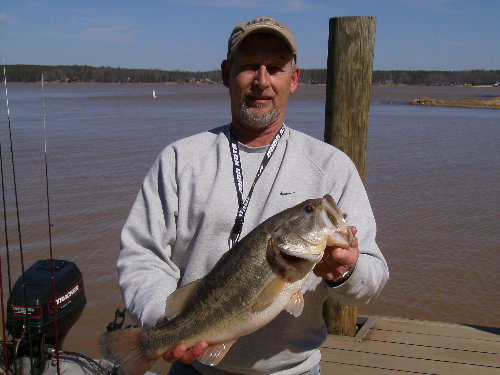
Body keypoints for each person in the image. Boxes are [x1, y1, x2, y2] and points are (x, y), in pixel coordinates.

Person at [117, 16, 389, 375]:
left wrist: (346, 271)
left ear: (293, 80)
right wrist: (164, 320)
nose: (262, 81)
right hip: (194, 367)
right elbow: (143, 255)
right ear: (226, 74)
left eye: (275, 68)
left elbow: (372, 278)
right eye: (249, 67)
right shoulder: (180, 161)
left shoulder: (331, 167)